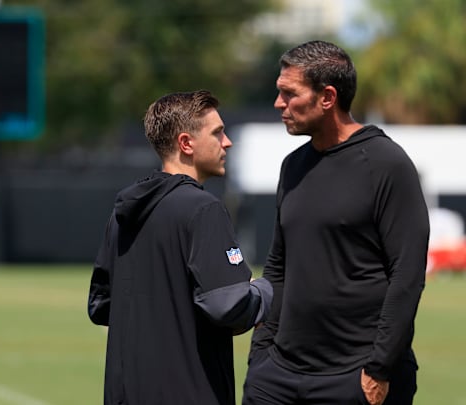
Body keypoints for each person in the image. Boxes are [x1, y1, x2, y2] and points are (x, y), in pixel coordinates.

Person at [242, 40, 429, 405]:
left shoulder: (386, 164)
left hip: (356, 379)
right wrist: (260, 354)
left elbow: (407, 276)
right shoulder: (292, 166)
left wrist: (379, 369)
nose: (279, 103)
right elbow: (278, 266)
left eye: (289, 93)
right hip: (277, 376)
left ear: (327, 97)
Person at [88, 90, 272, 405]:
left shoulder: (122, 214)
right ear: (186, 143)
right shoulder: (203, 208)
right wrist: (267, 291)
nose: (227, 142)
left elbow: (101, 306)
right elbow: (230, 307)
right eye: (217, 133)